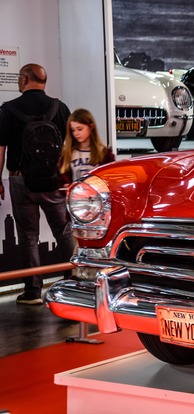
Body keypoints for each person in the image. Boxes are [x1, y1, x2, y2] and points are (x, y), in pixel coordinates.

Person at [0, 63, 75, 305]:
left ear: (24, 79)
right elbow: (72, 146)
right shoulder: (59, 108)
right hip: (53, 180)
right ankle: (73, 281)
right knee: (64, 232)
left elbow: (0, 149)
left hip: (21, 179)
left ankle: (32, 291)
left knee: (28, 235)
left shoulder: (8, 110)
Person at [59, 108, 115, 186]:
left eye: (80, 129)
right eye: (73, 130)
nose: (76, 134)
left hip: (97, 196)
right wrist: (65, 185)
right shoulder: (68, 154)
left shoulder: (104, 153)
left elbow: (111, 179)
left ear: (91, 126)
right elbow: (61, 180)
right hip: (75, 196)